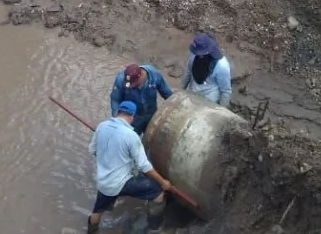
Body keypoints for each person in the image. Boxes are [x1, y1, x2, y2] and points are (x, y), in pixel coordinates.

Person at [87, 101, 173, 234]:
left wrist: (108, 157)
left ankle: (91, 232)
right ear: (132, 116)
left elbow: (92, 150)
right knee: (158, 192)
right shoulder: (131, 136)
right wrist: (163, 182)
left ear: (117, 113)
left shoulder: (101, 126)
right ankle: (154, 228)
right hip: (122, 182)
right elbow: (144, 166)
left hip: (103, 182)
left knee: (97, 211)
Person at [109, 63, 173, 135]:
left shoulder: (154, 75)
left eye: (133, 84)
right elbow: (115, 100)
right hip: (132, 117)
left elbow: (167, 93)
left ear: (141, 76)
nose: (131, 87)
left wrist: (174, 109)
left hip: (151, 115)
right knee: (128, 140)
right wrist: (118, 120)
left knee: (153, 139)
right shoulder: (121, 79)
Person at [180, 33, 232, 108]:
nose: (197, 54)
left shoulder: (221, 65)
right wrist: (180, 92)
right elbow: (187, 73)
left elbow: (226, 91)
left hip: (210, 97)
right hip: (193, 90)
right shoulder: (194, 55)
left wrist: (220, 111)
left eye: (200, 53)